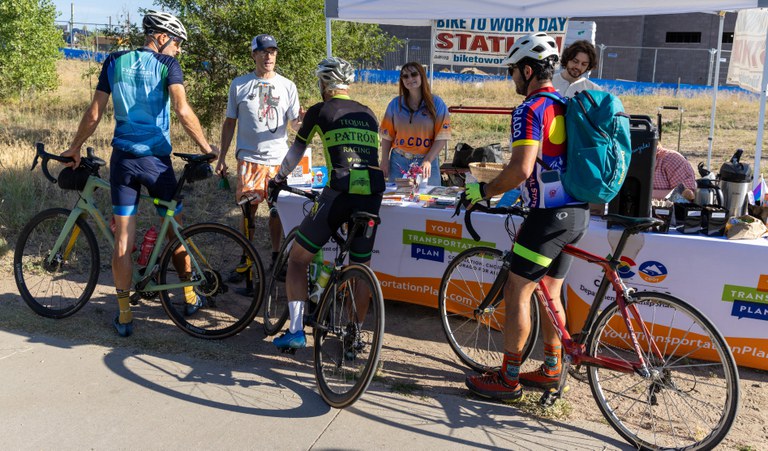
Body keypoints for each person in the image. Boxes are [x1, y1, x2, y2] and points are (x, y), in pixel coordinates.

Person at [61, 11, 219, 337]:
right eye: (176, 43)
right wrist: (207, 147)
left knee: (122, 239)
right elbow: (182, 109)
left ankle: (124, 316)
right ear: (161, 37)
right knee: (173, 227)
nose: (178, 50)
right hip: (157, 162)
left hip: (123, 161)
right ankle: (189, 297)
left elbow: (95, 112)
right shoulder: (167, 65)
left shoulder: (114, 61)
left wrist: (75, 146)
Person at [463, 32, 590, 401]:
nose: (512, 78)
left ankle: (508, 378)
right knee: (550, 291)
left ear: (529, 69)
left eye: (514, 71)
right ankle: (551, 369)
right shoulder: (564, 105)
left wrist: (483, 191)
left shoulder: (530, 109)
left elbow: (521, 168)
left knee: (518, 290)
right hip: (576, 214)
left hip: (549, 218)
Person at [267, 57, 384, 350]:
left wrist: (279, 178)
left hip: (340, 194)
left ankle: (296, 330)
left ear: (324, 83)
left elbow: (295, 153)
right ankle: (354, 335)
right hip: (372, 195)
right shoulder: (369, 113)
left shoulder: (320, 111)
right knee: (362, 269)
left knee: (297, 259)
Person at [216, 34, 302, 272]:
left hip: (278, 161)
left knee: (277, 211)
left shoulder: (287, 86)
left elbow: (294, 124)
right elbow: (230, 122)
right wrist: (222, 157)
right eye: (263, 51)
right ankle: (246, 260)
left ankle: (276, 258)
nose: (268, 56)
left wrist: (301, 122)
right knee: (248, 212)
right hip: (249, 159)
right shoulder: (240, 84)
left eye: (272, 51)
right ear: (254, 55)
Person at [380, 62, 451, 186]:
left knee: (429, 201)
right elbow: (387, 136)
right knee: (397, 202)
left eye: (414, 74)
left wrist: (428, 160)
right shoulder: (395, 104)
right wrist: (384, 160)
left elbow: (442, 136)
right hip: (398, 162)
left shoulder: (437, 104)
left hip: (426, 162)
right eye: (405, 76)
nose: (410, 79)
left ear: (422, 76)